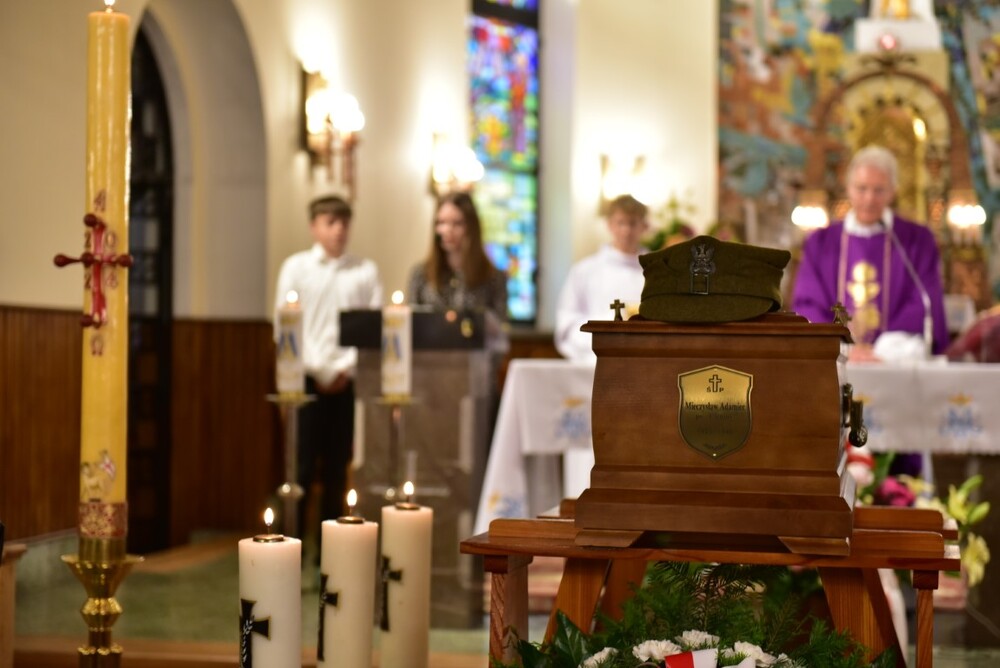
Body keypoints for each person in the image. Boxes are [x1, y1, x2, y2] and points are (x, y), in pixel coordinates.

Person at [274, 195, 383, 541]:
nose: (339, 230)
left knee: (338, 468)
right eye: (330, 222)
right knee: (301, 467)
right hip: (306, 380)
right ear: (314, 226)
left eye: (344, 223)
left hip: (347, 382)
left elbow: (371, 328)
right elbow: (285, 327)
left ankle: (330, 550)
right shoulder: (296, 268)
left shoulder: (364, 271)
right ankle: (292, 545)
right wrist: (319, 369)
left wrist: (344, 369)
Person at [791, 145, 949, 358]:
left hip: (892, 359)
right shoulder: (820, 243)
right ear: (848, 188)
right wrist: (843, 347)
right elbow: (808, 302)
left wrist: (881, 350)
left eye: (879, 190)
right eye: (862, 188)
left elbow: (924, 302)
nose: (869, 199)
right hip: (833, 358)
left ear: (893, 191)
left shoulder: (917, 241)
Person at [554, 194, 650, 362]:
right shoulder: (584, 271)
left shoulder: (655, 272)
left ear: (644, 226)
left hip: (645, 360)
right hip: (593, 361)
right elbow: (567, 323)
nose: (626, 230)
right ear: (610, 225)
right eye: (621, 223)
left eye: (632, 223)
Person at [408, 191, 508, 324]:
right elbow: (412, 324)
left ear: (471, 227)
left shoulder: (493, 277)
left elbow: (499, 328)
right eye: (441, 222)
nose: (447, 230)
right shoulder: (421, 274)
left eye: (457, 223)